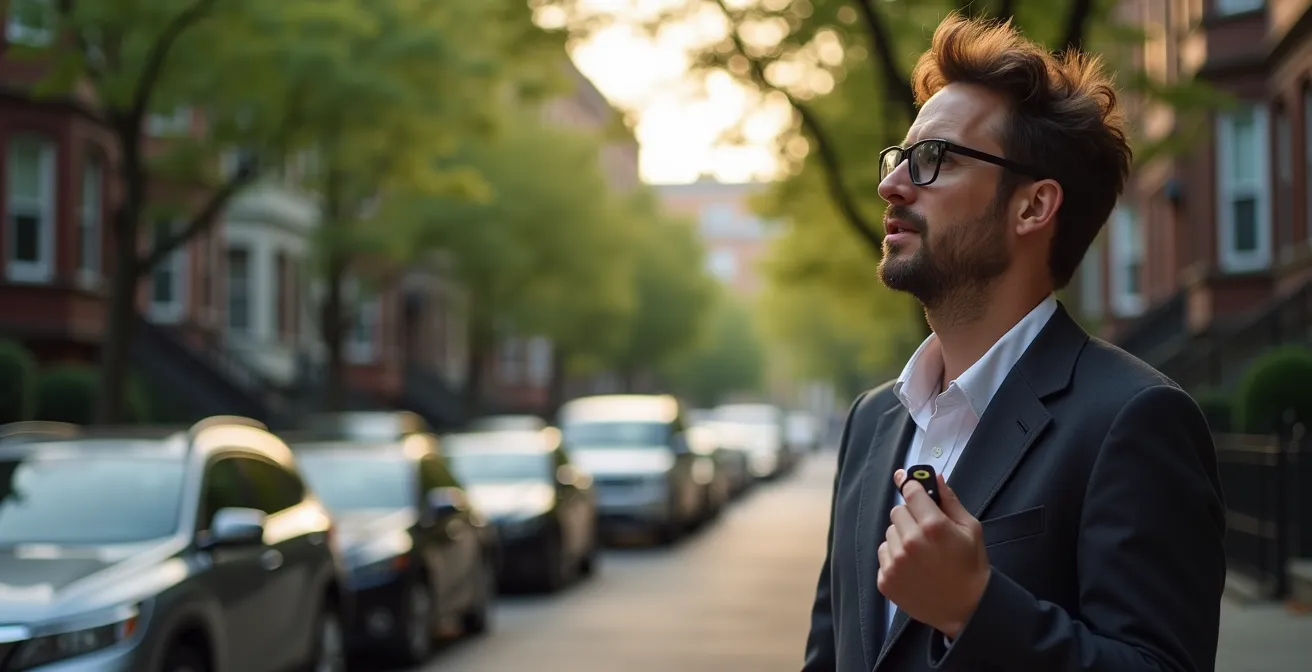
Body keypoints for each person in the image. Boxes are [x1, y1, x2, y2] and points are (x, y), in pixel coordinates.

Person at [801, 13, 1226, 672]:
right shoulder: (870, 421)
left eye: (933, 158)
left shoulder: (1134, 419)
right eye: (899, 157)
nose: (892, 184)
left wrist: (975, 609)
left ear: (1033, 206)